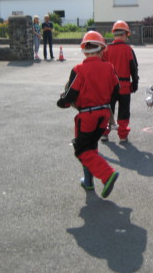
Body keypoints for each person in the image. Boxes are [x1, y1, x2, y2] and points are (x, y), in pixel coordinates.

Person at [57, 31, 120, 197]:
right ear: (102, 50)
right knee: (91, 147)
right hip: (104, 114)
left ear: (84, 51)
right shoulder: (109, 67)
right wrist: (106, 103)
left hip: (86, 116)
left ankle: (107, 174)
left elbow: (70, 94)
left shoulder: (79, 70)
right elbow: (116, 89)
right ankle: (88, 182)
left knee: (82, 150)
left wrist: (62, 102)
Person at [101, 21, 139, 142]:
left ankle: (104, 133)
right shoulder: (128, 50)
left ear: (114, 34)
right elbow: (133, 68)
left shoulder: (106, 50)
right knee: (123, 111)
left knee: (108, 110)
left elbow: (101, 68)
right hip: (124, 86)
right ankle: (122, 135)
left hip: (110, 87)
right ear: (125, 34)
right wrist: (135, 83)